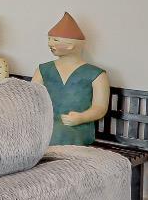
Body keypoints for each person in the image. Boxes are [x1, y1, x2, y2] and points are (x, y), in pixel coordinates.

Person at [33, 12, 110, 146]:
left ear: (71, 45)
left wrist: (81, 117)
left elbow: (100, 107)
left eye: (55, 40)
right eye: (49, 39)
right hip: (45, 124)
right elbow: (32, 97)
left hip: (76, 128)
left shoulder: (96, 74)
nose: (50, 43)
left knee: (56, 133)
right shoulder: (43, 69)